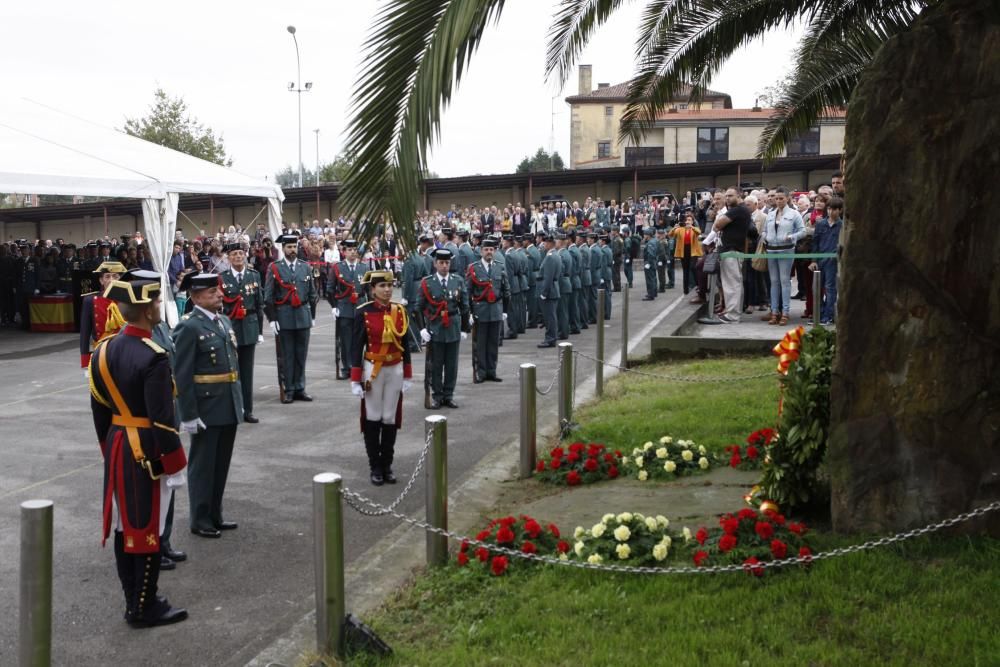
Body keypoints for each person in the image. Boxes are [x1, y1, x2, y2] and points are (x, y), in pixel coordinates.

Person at [88, 272, 188, 627]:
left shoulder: (103, 349)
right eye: (157, 301)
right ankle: (144, 607)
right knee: (147, 526)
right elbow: (162, 419)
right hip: (147, 449)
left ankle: (134, 599)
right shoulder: (153, 356)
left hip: (117, 443)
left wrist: (108, 448)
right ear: (147, 310)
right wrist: (175, 464)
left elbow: (99, 409)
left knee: (122, 526)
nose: (160, 306)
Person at [173, 273, 243, 539]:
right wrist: (188, 414)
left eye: (218, 291)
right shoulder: (188, 326)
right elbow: (182, 374)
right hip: (205, 407)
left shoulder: (223, 321)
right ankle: (200, 518)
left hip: (227, 402)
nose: (219, 295)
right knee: (203, 465)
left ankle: (215, 513)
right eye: (213, 292)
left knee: (221, 463)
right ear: (196, 296)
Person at [351, 270, 413, 485]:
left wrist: (407, 374)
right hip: (373, 369)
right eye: (382, 286)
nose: (387, 290)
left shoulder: (399, 310)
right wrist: (355, 378)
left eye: (389, 286)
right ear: (372, 289)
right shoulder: (363, 312)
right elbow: (356, 346)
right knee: (373, 417)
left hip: (394, 368)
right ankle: (375, 466)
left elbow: (404, 345)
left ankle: (387, 465)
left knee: (389, 418)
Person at [264, 234, 318, 401]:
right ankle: (288, 389)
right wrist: (272, 319)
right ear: (283, 248)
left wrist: (313, 316)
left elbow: (312, 293)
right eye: (289, 247)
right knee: (287, 355)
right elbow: (268, 296)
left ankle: (300, 387)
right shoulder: (275, 268)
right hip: (284, 315)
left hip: (303, 315)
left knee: (301, 354)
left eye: (294, 247)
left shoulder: (305, 267)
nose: (292, 250)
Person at [416, 248, 470, 409]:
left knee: (452, 364)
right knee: (437, 364)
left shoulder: (458, 280)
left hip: (453, 326)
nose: (444, 266)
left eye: (447, 262)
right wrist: (421, 330)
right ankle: (437, 395)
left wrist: (464, 328)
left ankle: (449, 395)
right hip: (436, 327)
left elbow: (465, 306)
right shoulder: (427, 282)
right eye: (441, 263)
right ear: (435, 264)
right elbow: (418, 308)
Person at [221, 243, 264, 422]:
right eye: (234, 254)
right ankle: (233, 409)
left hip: (249, 328)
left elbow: (259, 304)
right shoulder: (222, 278)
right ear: (228, 258)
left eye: (241, 253)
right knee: (231, 371)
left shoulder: (253, 275)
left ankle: (248, 410)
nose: (238, 257)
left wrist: (260, 331)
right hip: (231, 328)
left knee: (247, 372)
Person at [466, 237, 510, 383]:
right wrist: (470, 313)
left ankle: (492, 371)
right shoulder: (473, 268)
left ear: (495, 251)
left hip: (496, 309)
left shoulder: (500, 266)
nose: (489, 252)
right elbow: (468, 292)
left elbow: (506, 290)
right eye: (486, 249)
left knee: (493, 343)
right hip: (481, 310)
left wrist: (505, 310)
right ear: (481, 251)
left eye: (491, 249)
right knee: (480, 343)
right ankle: (481, 372)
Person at [764, 187, 806, 325]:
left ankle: (785, 312)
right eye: (776, 198)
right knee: (774, 281)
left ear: (787, 198)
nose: (778, 200)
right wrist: (765, 237)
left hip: (786, 250)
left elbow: (803, 231)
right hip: (771, 250)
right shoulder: (770, 213)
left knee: (784, 281)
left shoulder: (794, 214)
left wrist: (792, 237)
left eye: (781, 198)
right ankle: (775, 311)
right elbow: (764, 230)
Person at [712, 188, 753, 323]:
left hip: (732, 251)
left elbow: (716, 225)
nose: (727, 198)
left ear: (739, 195)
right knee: (735, 283)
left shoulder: (737, 210)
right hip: (733, 250)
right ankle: (733, 313)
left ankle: (732, 315)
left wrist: (720, 222)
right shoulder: (740, 210)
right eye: (726, 196)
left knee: (732, 284)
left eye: (730, 196)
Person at [328, 239, 367, 379]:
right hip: (344, 308)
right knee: (345, 340)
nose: (352, 252)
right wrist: (334, 306)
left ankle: (357, 366)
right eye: (349, 250)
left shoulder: (364, 268)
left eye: (355, 250)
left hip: (360, 308)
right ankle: (346, 367)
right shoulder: (337, 268)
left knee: (359, 340)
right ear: (344, 252)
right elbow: (330, 289)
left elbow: (368, 290)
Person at [80, 261, 128, 371]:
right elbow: (85, 333)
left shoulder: (128, 299)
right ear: (101, 280)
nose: (111, 280)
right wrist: (85, 360)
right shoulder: (90, 300)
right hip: (101, 353)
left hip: (125, 351)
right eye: (107, 276)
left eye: (115, 276)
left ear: (120, 279)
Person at [810, 196, 844, 325]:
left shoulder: (842, 225)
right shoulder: (820, 224)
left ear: (840, 210)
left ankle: (828, 316)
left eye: (834, 209)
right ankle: (819, 313)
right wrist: (813, 260)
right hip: (820, 259)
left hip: (833, 261)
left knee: (830, 289)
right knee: (816, 288)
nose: (831, 212)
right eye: (829, 209)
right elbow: (815, 243)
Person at [536, 233, 561, 347]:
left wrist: (544, 293)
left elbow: (548, 277)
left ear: (550, 243)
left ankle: (550, 338)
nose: (543, 244)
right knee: (551, 316)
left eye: (545, 242)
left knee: (549, 316)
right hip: (552, 290)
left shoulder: (551, 256)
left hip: (549, 291)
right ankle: (551, 337)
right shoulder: (554, 254)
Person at [670, 212, 704, 296]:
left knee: (693, 267)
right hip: (683, 251)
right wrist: (674, 228)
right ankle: (685, 290)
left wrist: (692, 227)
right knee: (685, 271)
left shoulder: (694, 229)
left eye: (689, 220)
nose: (687, 221)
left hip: (693, 251)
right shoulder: (680, 229)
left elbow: (699, 232)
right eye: (686, 220)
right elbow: (670, 235)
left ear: (692, 221)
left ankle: (698, 285)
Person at [641, 227, 659, 300]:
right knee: (653, 278)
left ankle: (650, 295)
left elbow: (651, 254)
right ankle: (654, 293)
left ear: (648, 235)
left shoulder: (650, 243)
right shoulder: (654, 240)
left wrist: (648, 263)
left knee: (650, 279)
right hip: (653, 262)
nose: (644, 236)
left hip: (650, 263)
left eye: (644, 235)